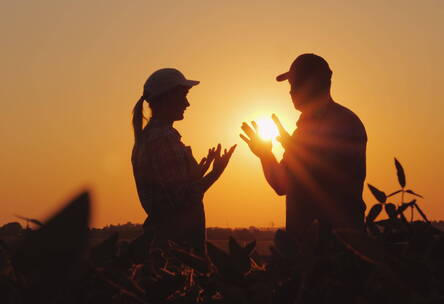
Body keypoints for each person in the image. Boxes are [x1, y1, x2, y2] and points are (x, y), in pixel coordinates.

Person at [240, 54, 367, 239]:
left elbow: (331, 179)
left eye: (295, 84)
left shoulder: (344, 123)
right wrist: (265, 154)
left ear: (315, 83)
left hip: (336, 244)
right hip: (305, 243)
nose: (290, 92)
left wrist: (293, 148)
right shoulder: (304, 129)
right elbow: (281, 185)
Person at [132, 68, 236, 254]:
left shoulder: (146, 139)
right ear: (167, 99)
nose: (187, 103)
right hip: (179, 248)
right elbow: (181, 198)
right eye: (183, 96)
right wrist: (215, 172)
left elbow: (167, 191)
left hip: (163, 240)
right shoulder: (164, 138)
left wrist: (197, 173)